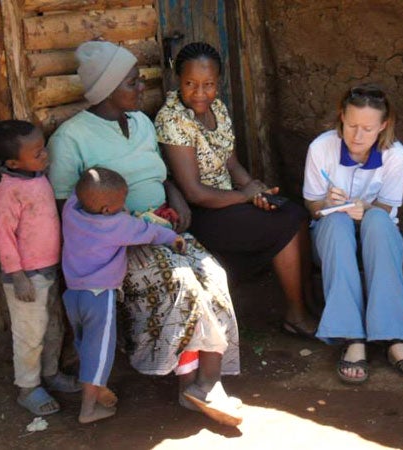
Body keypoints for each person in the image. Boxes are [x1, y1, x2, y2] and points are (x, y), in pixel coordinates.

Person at [48, 41, 242, 426]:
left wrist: (175, 196)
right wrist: (123, 227)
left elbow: (161, 173)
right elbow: (65, 210)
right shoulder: (70, 139)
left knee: (214, 275)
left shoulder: (139, 123)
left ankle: (210, 382)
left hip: (162, 225)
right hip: (118, 243)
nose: (142, 89)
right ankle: (190, 384)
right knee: (181, 283)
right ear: (106, 89)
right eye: (133, 82)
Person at [155, 42, 318, 338]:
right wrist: (245, 196)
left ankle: (307, 301)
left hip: (229, 200)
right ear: (178, 80)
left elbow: (231, 164)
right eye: (190, 83)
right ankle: (296, 314)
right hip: (203, 213)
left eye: (208, 84)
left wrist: (256, 191)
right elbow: (193, 192)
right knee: (286, 222)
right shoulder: (172, 119)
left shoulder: (217, 108)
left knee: (293, 211)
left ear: (219, 82)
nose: (200, 92)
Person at [302, 84, 403, 384]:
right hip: (332, 231)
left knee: (377, 223)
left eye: (368, 129)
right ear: (341, 118)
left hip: (375, 229)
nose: (358, 136)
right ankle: (352, 337)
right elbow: (312, 206)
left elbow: (387, 207)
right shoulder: (321, 148)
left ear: (383, 126)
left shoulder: (396, 156)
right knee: (336, 224)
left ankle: (394, 337)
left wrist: (366, 207)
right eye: (351, 125)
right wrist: (329, 204)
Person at [62, 167, 186, 423]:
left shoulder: (71, 211)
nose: (125, 206)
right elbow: (148, 232)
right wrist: (173, 238)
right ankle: (87, 409)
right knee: (100, 350)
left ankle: (97, 392)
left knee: (84, 343)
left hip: (72, 293)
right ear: (107, 209)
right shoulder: (116, 224)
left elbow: (82, 192)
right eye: (122, 203)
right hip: (99, 296)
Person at [0, 120, 81, 416]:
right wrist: (17, 276)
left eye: (43, 149)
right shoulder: (7, 192)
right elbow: (4, 237)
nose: (45, 156)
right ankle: (27, 388)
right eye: (38, 152)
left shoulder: (37, 177)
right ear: (13, 162)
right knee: (30, 333)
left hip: (50, 268)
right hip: (26, 277)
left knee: (53, 327)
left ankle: (51, 374)